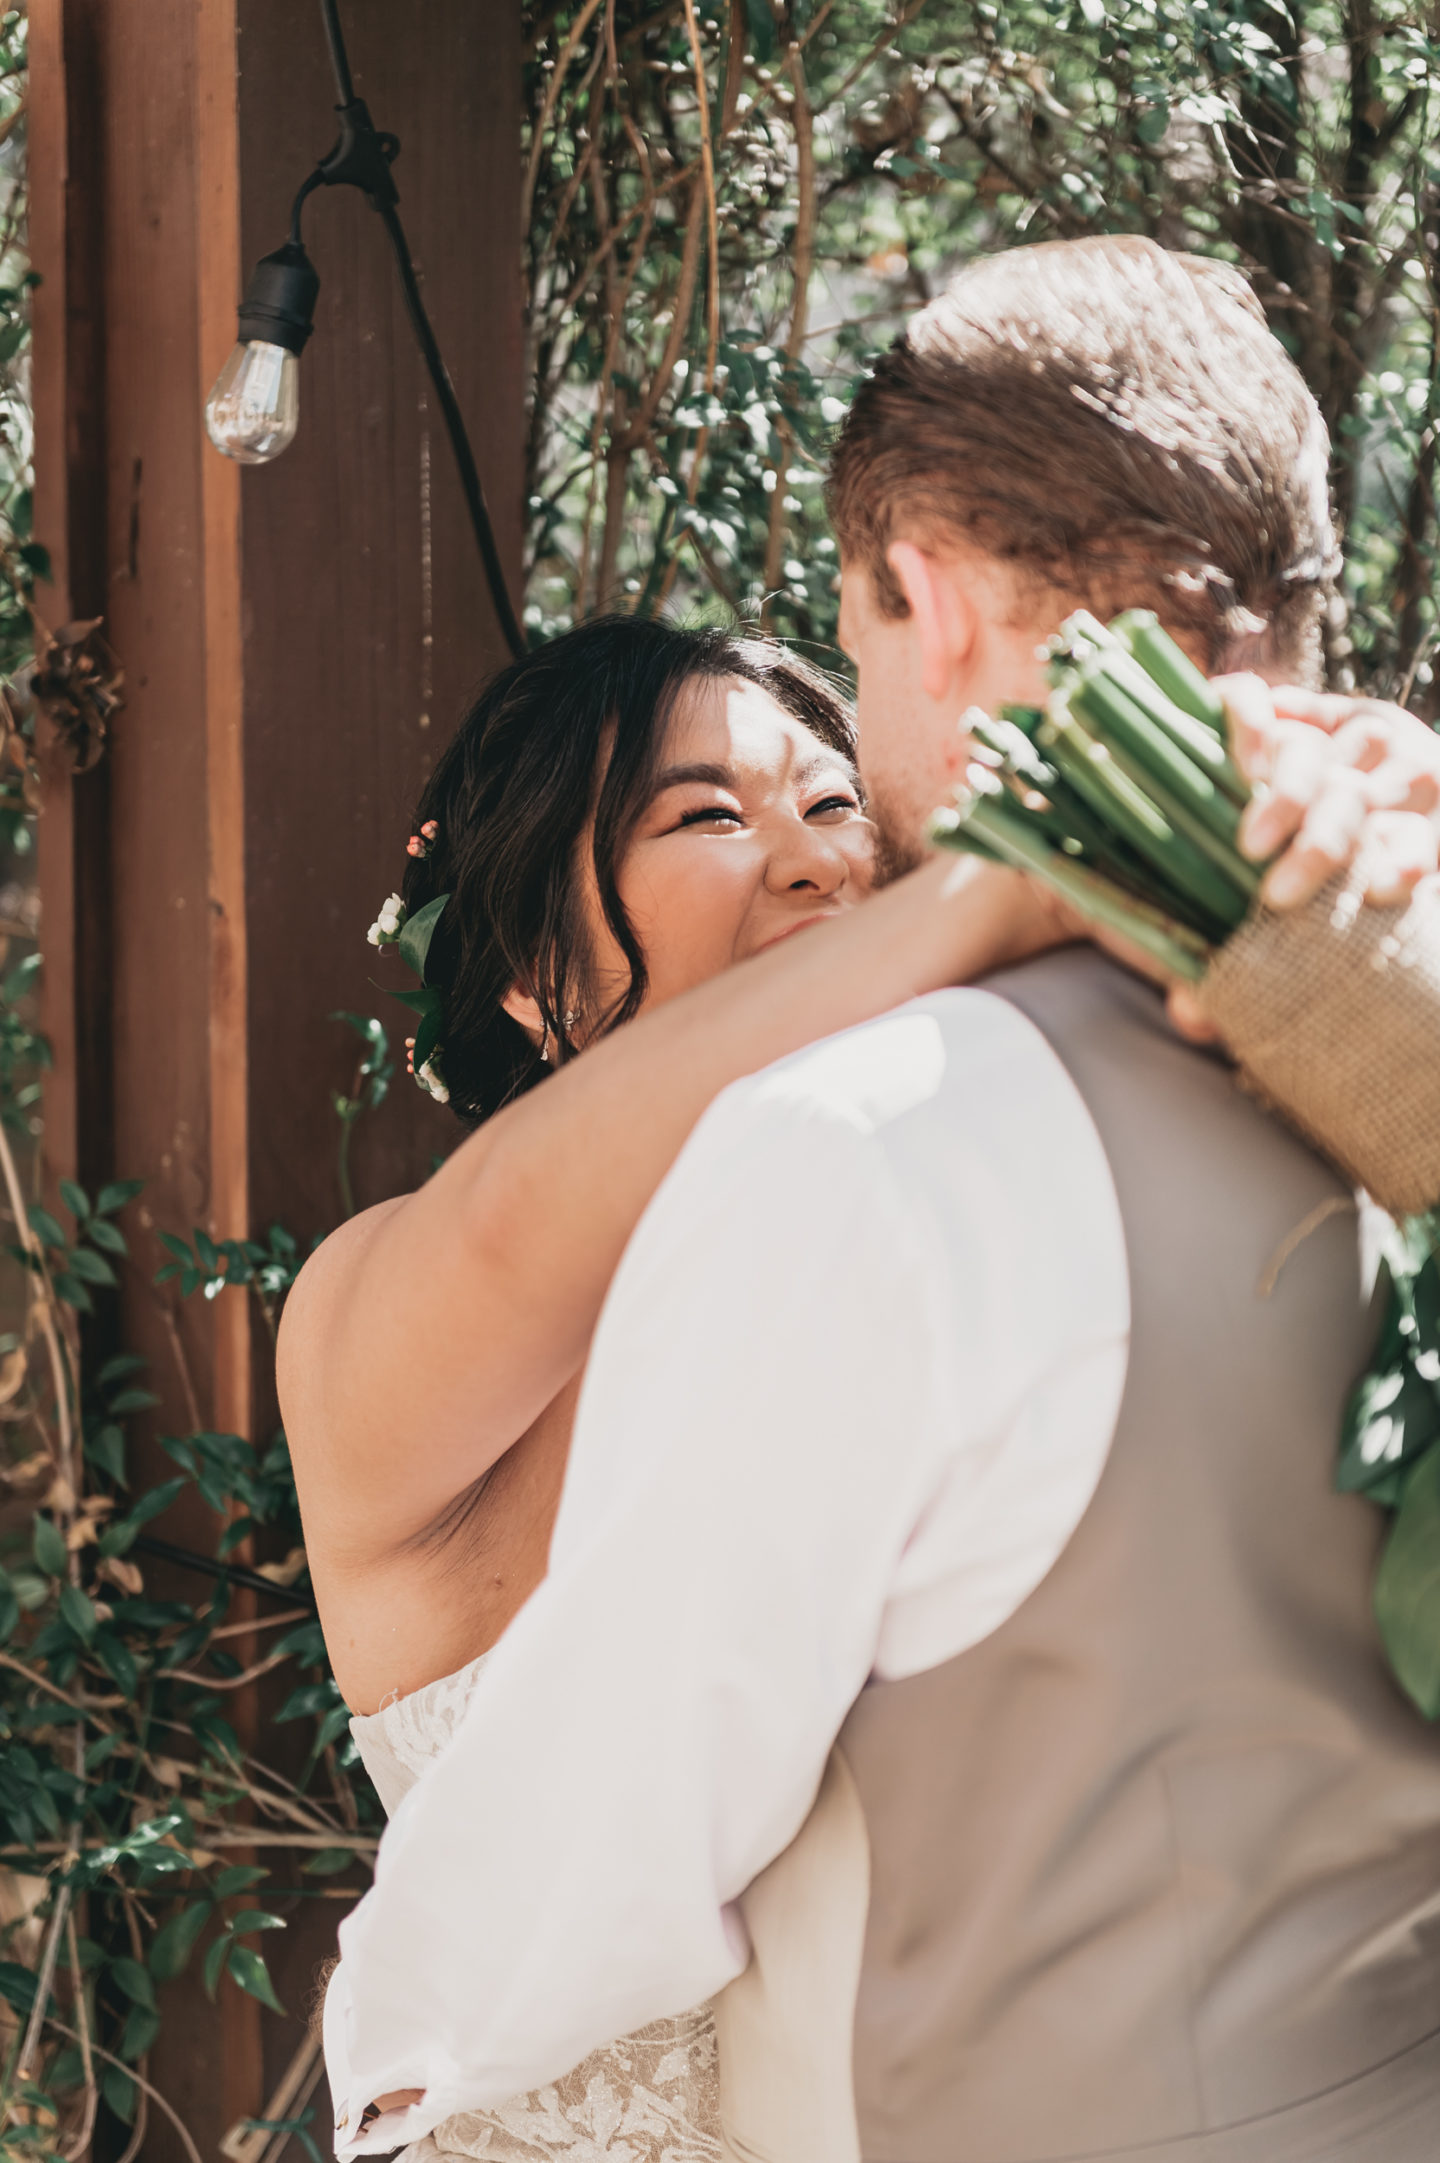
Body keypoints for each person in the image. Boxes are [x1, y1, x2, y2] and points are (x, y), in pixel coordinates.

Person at [326, 236, 1440, 2163]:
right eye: (703, 816)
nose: (814, 858)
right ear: (521, 963)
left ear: (919, 607)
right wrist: (1029, 857)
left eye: (834, 792)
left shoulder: (922, 1140)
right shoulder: (432, 1281)